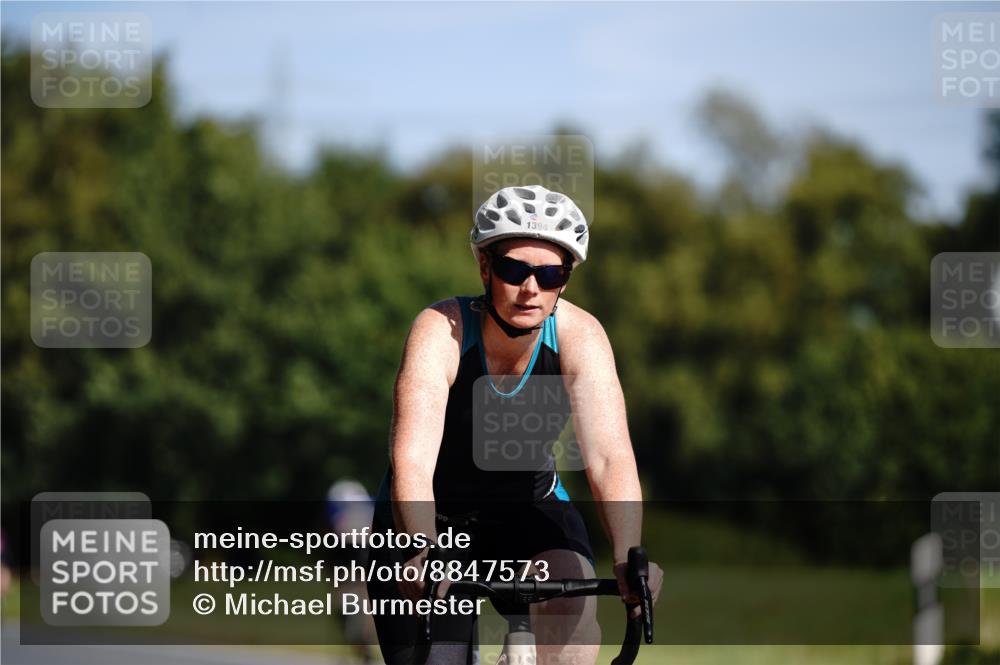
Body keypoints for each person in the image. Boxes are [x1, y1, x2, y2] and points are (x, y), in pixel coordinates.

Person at [366, 185, 663, 665]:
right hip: (429, 518)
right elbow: (412, 461)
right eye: (513, 270)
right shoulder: (441, 330)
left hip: (528, 508)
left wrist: (630, 555)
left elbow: (609, 457)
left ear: (564, 280)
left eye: (549, 274)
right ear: (484, 267)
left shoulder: (580, 337)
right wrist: (420, 547)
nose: (531, 289)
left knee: (573, 625)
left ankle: (531, 636)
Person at [326, 480, 379, 664]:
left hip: (358, 563)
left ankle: (361, 642)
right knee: (354, 604)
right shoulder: (366, 509)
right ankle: (360, 642)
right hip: (352, 563)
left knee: (356, 604)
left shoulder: (342, 515)